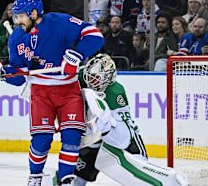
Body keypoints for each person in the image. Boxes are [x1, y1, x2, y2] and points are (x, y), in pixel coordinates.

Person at [0, 0, 104, 185]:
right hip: (40, 92)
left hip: (69, 91)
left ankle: (66, 180)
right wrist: (1, 72)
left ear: (34, 13)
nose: (18, 21)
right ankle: (35, 177)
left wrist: (76, 56)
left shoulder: (59, 22)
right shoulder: (16, 38)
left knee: (72, 137)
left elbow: (94, 35)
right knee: (42, 140)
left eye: (21, 16)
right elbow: (20, 75)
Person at [70, 54, 188, 186]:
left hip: (125, 140)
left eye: (97, 79)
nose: (92, 83)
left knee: (139, 175)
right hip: (92, 140)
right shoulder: (78, 76)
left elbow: (124, 137)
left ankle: (170, 181)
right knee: (76, 178)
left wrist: (105, 125)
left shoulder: (115, 92)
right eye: (89, 78)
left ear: (108, 78)